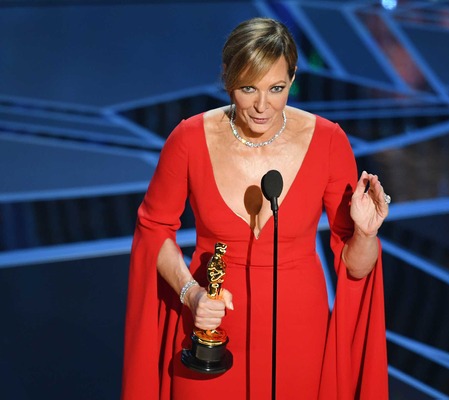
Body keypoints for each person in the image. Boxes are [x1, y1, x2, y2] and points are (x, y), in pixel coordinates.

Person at [121, 17, 389, 399]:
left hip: (299, 332)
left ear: (293, 78)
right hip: (211, 326)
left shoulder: (329, 141)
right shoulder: (188, 139)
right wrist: (191, 294)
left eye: (276, 88)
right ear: (227, 78)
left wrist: (365, 233)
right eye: (249, 88)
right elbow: (154, 229)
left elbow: (356, 267)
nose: (263, 106)